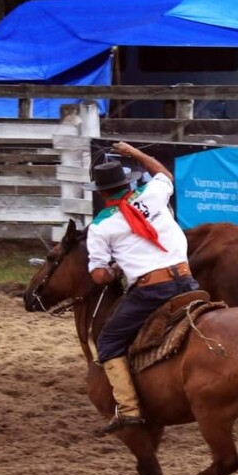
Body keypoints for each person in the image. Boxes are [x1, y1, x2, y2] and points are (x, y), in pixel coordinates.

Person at [85, 142, 199, 434]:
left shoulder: (100, 227)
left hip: (151, 290)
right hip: (187, 280)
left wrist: (113, 270)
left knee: (108, 342)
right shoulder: (153, 194)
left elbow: (98, 276)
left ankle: (129, 408)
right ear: (128, 183)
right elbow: (163, 174)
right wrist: (133, 152)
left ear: (100, 193)